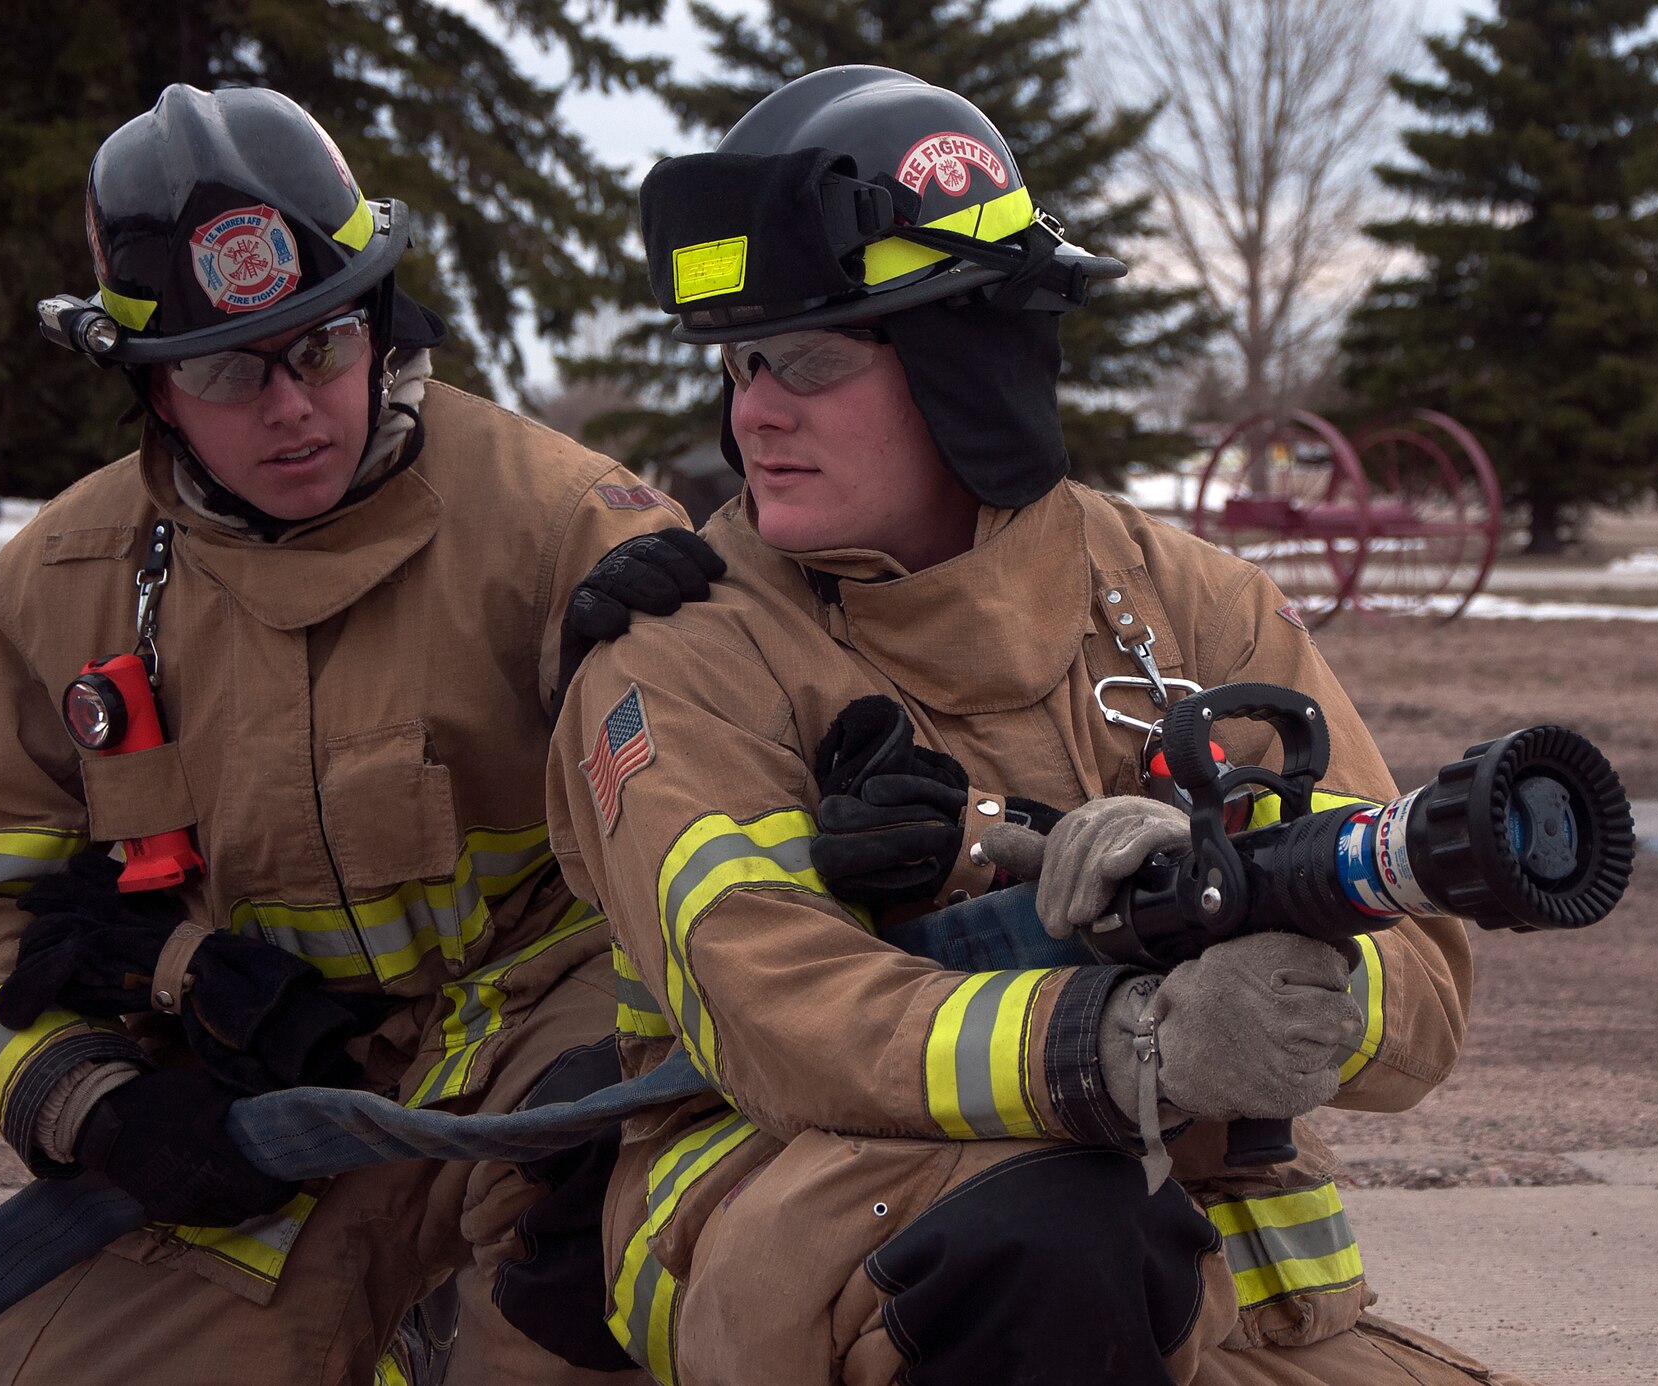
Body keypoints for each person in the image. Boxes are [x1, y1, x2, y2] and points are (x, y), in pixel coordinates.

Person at [547, 66, 1527, 1386]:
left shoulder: (1194, 608)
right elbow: (775, 1005)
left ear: (967, 358)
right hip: (836, 1261)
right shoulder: (680, 651)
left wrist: (1276, 954)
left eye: (808, 360)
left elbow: (1421, 989)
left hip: (1230, 1301)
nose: (752, 410)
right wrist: (1133, 1038)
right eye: (739, 362)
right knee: (1049, 1241)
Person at [0, 83, 715, 1383]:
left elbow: (760, 790)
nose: (291, 406)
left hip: (552, 1050)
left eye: (320, 343)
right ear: (153, 391)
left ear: (378, 322)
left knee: (563, 1307)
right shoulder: (66, 581)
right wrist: (102, 1099)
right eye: (226, 370)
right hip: (265, 1108)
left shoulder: (564, 520)